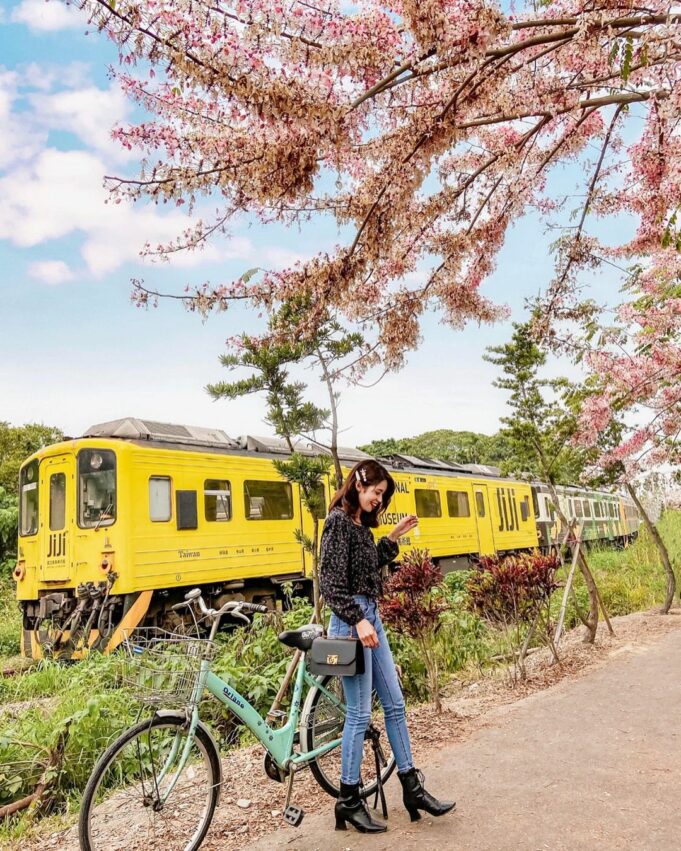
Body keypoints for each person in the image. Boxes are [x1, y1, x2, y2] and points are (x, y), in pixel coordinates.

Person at [320, 459, 455, 833]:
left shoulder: (361, 527)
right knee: (359, 715)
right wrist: (357, 619)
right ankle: (348, 800)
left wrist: (392, 538)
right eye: (376, 492)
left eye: (383, 495)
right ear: (359, 485)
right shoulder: (336, 523)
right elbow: (330, 584)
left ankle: (412, 788)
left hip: (371, 619)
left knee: (395, 704)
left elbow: (365, 568)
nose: (379, 500)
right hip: (352, 625)